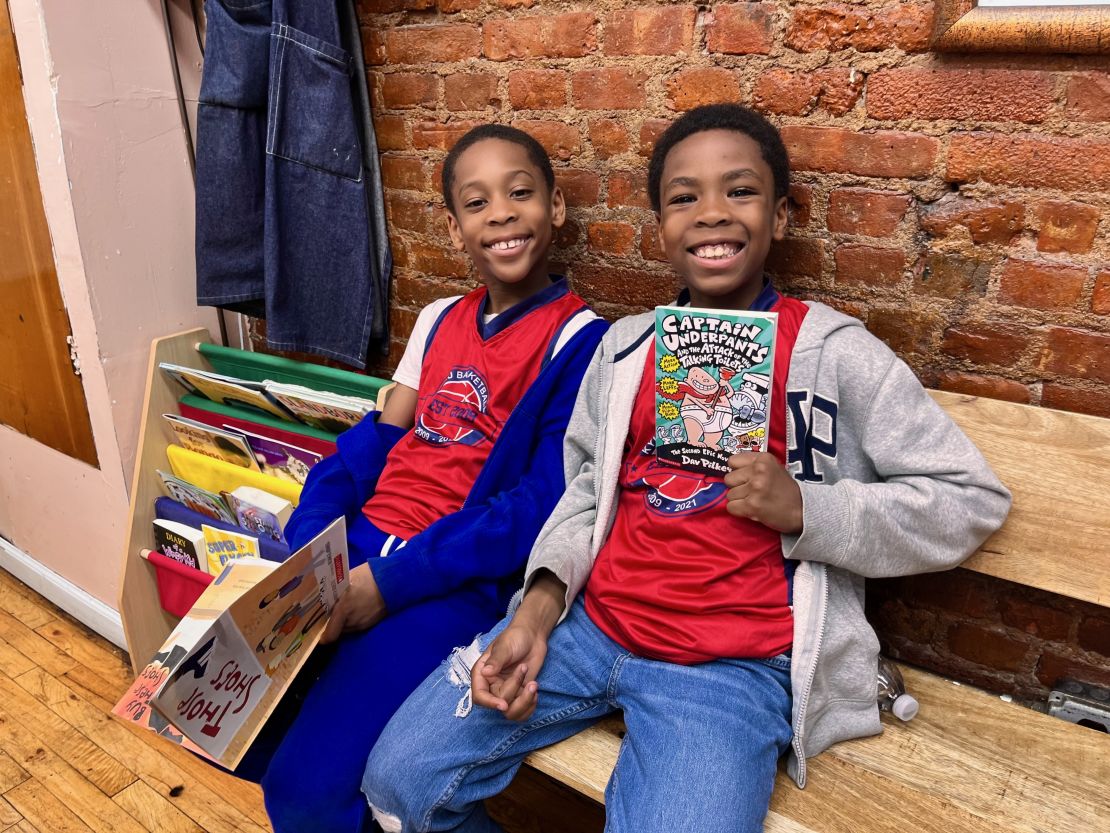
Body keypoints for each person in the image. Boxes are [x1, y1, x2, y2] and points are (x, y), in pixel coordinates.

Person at [361, 104, 1012, 833]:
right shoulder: (628, 348)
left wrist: (807, 508)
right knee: (399, 784)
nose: (710, 214)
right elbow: (582, 492)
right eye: (682, 198)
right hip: (587, 627)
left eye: (739, 191)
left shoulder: (833, 353)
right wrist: (535, 612)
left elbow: (969, 498)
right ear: (661, 226)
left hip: (728, 668)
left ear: (781, 215)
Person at [256, 123, 609, 833]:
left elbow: (535, 506)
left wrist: (382, 586)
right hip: (355, 548)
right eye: (477, 204)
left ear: (557, 206)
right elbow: (374, 442)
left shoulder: (584, 341)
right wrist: (312, 544)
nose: (502, 214)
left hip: (448, 583)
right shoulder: (439, 318)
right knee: (254, 737)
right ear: (453, 229)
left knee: (303, 792)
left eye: (520, 193)